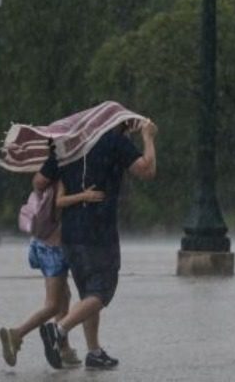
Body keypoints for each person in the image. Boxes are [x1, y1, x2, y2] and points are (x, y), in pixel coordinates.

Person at [38, 118, 157, 370]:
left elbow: (39, 182)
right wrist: (147, 136)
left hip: (70, 234)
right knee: (101, 292)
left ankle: (94, 352)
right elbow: (147, 170)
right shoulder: (114, 143)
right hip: (99, 233)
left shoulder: (68, 146)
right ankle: (58, 330)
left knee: (87, 294)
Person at [0, 168, 90, 368]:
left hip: (41, 243)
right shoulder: (64, 174)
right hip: (54, 249)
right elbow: (59, 202)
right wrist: (85, 196)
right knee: (53, 305)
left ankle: (64, 348)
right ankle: (16, 334)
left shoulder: (46, 175)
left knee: (64, 295)